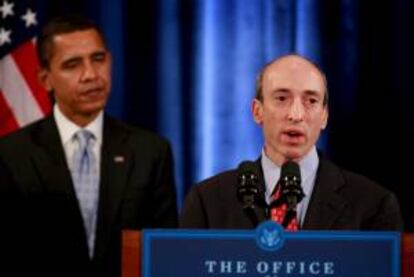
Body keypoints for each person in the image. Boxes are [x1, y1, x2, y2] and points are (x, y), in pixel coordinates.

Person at [0, 15, 177, 276]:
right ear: (45, 79)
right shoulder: (10, 154)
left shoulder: (150, 152)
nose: (91, 75)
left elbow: (163, 253)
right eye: (72, 64)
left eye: (98, 59)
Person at [180, 54, 404, 231]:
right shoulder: (207, 202)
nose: (296, 114)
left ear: (324, 116)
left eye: (311, 101)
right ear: (257, 111)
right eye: (281, 98)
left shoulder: (373, 205)